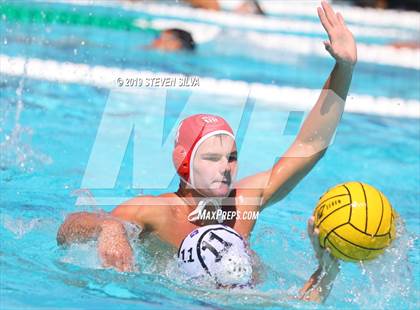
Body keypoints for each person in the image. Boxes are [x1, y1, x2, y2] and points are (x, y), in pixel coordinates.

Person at [57, 1, 356, 302]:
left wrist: (344, 68)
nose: (225, 167)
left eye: (232, 158)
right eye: (212, 158)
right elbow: (67, 229)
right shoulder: (156, 213)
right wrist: (108, 227)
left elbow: (310, 145)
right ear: (184, 164)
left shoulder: (243, 204)